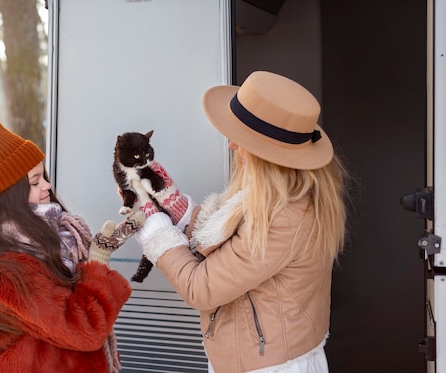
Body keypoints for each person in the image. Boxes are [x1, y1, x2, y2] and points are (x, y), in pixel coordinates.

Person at [132, 71, 349, 372]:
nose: (232, 145)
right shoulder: (280, 198)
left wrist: (157, 231)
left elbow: (201, 287)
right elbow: (233, 249)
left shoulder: (284, 217)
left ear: (267, 154)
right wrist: (176, 206)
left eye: (241, 137)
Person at [0, 114, 144, 372]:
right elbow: (84, 328)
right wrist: (98, 264)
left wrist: (97, 252)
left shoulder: (54, 237)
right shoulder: (5, 268)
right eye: (35, 182)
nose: (47, 186)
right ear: (8, 196)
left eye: (42, 176)